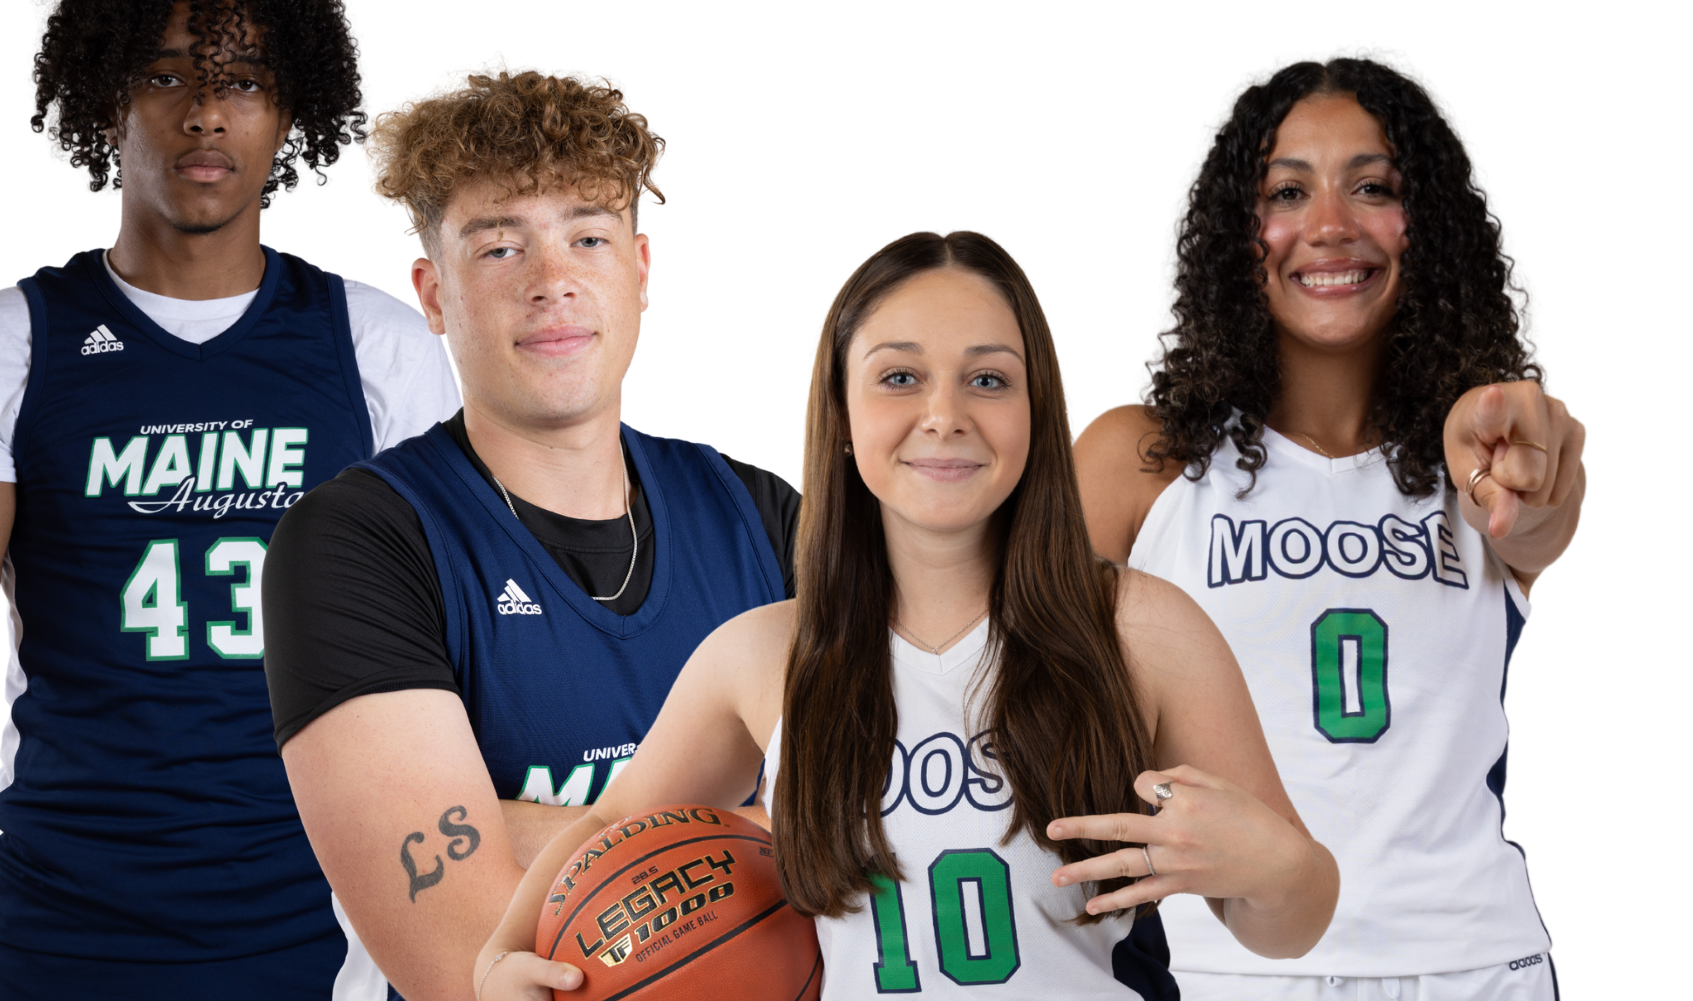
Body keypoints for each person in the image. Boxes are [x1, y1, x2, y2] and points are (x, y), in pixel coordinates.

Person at [0, 0, 459, 999]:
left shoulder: (380, 348)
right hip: (62, 942)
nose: (204, 111)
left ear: (290, 113)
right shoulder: (0, 341)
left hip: (319, 949)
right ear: (104, 101)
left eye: (243, 80)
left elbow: (450, 686)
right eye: (165, 74)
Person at [476, 230, 1340, 1001]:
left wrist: (1272, 866)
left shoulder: (1140, 630)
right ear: (844, 418)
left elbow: (1289, 919)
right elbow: (607, 825)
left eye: (988, 379)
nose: (943, 414)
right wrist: (502, 961)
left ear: (1036, 412)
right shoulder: (764, 654)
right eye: (899, 377)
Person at [260, 71, 801, 1001]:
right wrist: (761, 843)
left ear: (639, 269)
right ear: (433, 297)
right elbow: (467, 959)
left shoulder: (761, 514)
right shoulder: (354, 543)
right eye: (501, 248)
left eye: (587, 238)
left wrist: (509, 820)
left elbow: (901, 831)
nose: (553, 282)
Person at [1076, 59, 1584, 1000]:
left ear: (1423, 225)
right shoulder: (1139, 461)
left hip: (1471, 966)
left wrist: (1536, 458)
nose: (1330, 225)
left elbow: (1535, 513)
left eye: (1373, 187)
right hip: (1220, 965)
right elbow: (1000, 673)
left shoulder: (1477, 451)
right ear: (1241, 232)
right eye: (1288, 191)